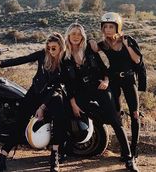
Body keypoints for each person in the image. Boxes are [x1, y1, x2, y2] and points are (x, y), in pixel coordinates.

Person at [61, 22, 139, 172]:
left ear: (82, 36)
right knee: (70, 110)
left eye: (79, 33)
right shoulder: (65, 57)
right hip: (81, 92)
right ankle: (63, 150)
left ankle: (129, 158)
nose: (76, 37)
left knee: (116, 121)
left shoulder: (90, 49)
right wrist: (73, 103)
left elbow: (105, 68)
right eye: (73, 34)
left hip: (100, 86)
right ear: (68, 36)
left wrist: (106, 80)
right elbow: (67, 84)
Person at [0, 32, 66, 172]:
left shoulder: (65, 61)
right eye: (48, 48)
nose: (50, 51)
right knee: (20, 121)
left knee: (59, 114)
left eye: (54, 48)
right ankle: (2, 156)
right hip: (35, 93)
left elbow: (57, 86)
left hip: (52, 96)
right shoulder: (43, 55)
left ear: (61, 47)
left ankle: (55, 157)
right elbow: (22, 59)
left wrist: (42, 107)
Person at [90, 12, 146, 163]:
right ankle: (124, 149)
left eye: (111, 26)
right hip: (114, 81)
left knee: (135, 114)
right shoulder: (104, 44)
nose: (108, 29)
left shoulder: (127, 40)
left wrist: (127, 46)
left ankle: (133, 150)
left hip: (128, 80)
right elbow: (93, 51)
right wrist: (91, 43)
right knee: (116, 114)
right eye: (105, 27)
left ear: (118, 27)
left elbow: (138, 60)